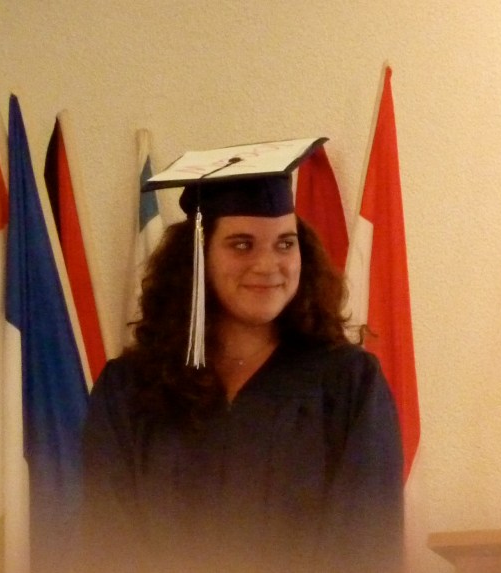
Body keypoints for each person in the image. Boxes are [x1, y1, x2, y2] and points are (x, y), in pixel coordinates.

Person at [75, 141, 404, 573]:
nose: (268, 264)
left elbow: (367, 544)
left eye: (285, 243)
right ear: (198, 258)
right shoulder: (130, 389)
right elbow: (106, 541)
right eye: (242, 244)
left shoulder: (347, 384)